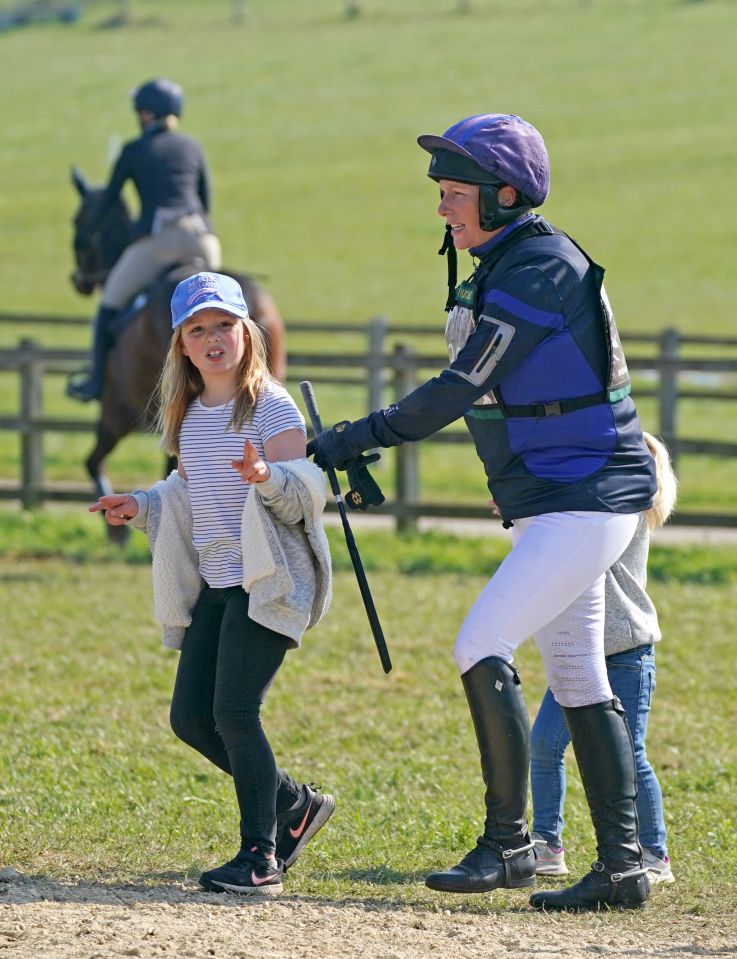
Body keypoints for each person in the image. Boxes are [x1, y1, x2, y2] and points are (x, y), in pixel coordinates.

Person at [309, 113, 658, 911]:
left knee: (479, 641)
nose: (441, 208)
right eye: (439, 193)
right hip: (559, 497)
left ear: (506, 196)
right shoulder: (506, 261)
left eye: (454, 193)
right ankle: (622, 869)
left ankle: (506, 846)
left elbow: (464, 385)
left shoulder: (539, 266)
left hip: (586, 494)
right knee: (576, 674)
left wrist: (357, 435)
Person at [89, 271, 334, 895]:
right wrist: (141, 506)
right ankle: (293, 805)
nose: (212, 338)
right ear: (181, 346)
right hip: (218, 584)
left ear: (247, 332)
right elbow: (187, 494)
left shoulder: (271, 408)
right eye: (198, 330)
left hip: (270, 582)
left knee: (234, 711)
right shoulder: (189, 413)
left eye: (224, 324)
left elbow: (306, 498)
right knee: (191, 718)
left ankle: (260, 859)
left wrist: (266, 478)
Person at [531, 432, 677, 887]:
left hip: (626, 652)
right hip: (581, 648)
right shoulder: (594, 507)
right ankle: (547, 845)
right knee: (544, 744)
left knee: (630, 755)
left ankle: (654, 853)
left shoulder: (622, 513)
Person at [68, 78, 222, 402]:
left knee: (109, 302)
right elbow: (205, 200)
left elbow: (109, 198)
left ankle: (95, 381)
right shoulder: (192, 146)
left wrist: (87, 231)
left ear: (146, 113)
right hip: (203, 242)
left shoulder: (134, 149)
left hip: (159, 242)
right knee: (224, 306)